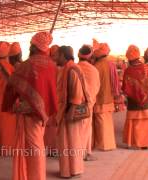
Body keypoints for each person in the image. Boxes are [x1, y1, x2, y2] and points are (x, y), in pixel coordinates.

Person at [2, 32, 57, 180]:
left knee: (34, 147)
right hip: (44, 111)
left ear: (34, 47)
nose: (29, 47)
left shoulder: (27, 64)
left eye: (31, 45)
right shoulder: (52, 64)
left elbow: (12, 85)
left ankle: (35, 177)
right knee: (37, 144)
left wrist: (10, 104)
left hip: (29, 111)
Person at [55, 45, 89, 178]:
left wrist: (71, 111)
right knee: (66, 143)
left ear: (63, 56)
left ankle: (73, 170)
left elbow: (77, 92)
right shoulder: (66, 68)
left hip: (70, 112)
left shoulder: (72, 69)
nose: (55, 57)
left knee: (72, 142)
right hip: (66, 110)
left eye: (57, 55)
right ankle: (69, 170)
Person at [122, 45, 148, 149]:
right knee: (146, 123)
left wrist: (133, 92)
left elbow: (125, 87)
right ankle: (145, 144)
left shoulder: (128, 71)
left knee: (134, 123)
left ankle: (133, 143)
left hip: (133, 103)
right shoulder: (147, 67)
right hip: (146, 101)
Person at [77, 44, 100, 161]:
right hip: (88, 104)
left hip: (74, 104)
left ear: (78, 55)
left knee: (76, 129)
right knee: (86, 128)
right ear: (90, 57)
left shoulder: (74, 68)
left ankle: (77, 153)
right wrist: (90, 100)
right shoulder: (94, 70)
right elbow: (96, 87)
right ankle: (85, 153)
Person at [93, 42, 117, 151]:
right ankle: (110, 144)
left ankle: (103, 145)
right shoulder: (111, 64)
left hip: (100, 97)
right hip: (109, 97)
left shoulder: (96, 66)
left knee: (100, 121)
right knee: (107, 121)